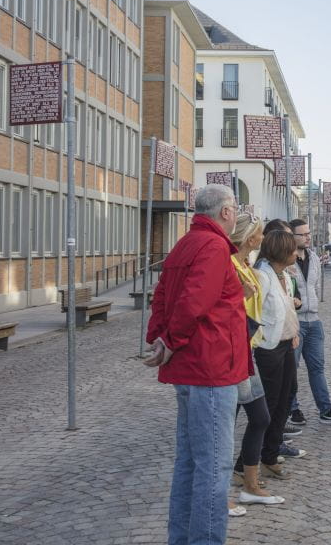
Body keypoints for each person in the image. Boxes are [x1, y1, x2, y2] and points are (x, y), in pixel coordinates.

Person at [144, 184, 250, 542]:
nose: (236, 214)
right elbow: (193, 303)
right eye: (235, 208)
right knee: (214, 467)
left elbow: (161, 297)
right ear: (225, 211)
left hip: (193, 369)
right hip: (211, 369)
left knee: (190, 463)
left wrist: (160, 338)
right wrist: (168, 340)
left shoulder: (185, 244)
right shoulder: (214, 245)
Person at [228, 214, 285, 508]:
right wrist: (241, 293)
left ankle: (248, 484)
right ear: (250, 238)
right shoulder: (231, 266)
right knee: (225, 424)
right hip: (231, 355)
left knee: (260, 417)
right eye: (260, 234)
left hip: (246, 352)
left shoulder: (244, 265)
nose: (263, 238)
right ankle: (222, 491)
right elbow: (223, 306)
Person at [287, 219, 331, 425]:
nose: (307, 237)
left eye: (308, 233)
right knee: (291, 369)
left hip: (313, 321)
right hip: (294, 321)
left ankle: (325, 409)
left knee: (317, 368)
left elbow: (314, 288)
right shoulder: (286, 260)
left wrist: (312, 306)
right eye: (302, 234)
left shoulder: (314, 258)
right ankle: (292, 408)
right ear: (292, 236)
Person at [253, 230, 302, 481]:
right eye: (293, 249)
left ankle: (270, 456)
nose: (297, 252)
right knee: (269, 405)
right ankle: (250, 462)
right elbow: (254, 314)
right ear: (282, 252)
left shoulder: (284, 275)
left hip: (286, 345)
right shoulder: (262, 276)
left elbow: (287, 311)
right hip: (268, 348)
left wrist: (293, 331)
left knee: (285, 400)